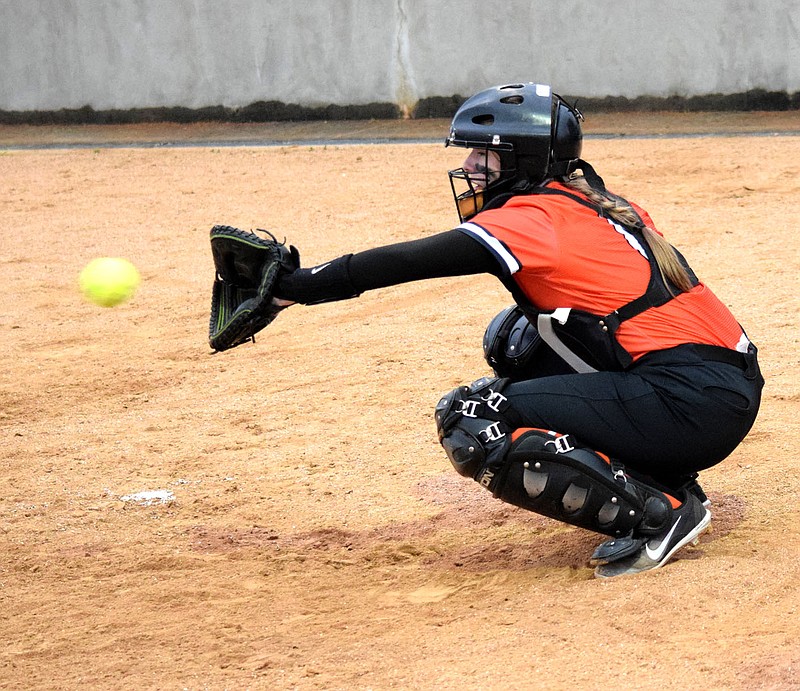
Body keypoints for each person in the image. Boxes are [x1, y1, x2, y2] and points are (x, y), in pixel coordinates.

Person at [272, 82, 763, 577]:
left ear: (522, 159)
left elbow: (405, 261)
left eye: (484, 154)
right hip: (714, 390)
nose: (468, 167)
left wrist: (295, 286)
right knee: (517, 343)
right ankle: (664, 479)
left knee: (469, 418)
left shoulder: (532, 219)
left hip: (689, 400)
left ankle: (664, 517)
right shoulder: (581, 196)